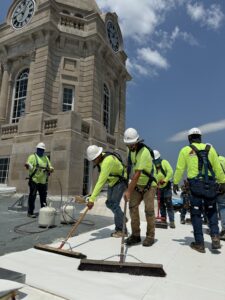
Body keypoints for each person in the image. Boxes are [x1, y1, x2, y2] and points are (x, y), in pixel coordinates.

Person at [173, 128, 225, 253]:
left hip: (195, 186)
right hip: (210, 185)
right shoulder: (210, 149)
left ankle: (199, 243)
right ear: (200, 137)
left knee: (196, 214)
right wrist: (223, 181)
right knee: (212, 211)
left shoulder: (185, 150)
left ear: (189, 139)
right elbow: (218, 167)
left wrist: (175, 182)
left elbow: (180, 169)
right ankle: (215, 237)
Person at [123, 128, 157, 247]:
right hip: (138, 184)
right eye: (128, 145)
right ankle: (136, 235)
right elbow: (130, 169)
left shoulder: (144, 152)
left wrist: (128, 191)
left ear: (137, 141)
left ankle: (150, 236)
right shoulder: (131, 151)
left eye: (132, 144)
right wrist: (128, 185)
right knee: (132, 207)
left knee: (149, 211)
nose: (130, 147)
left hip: (149, 185)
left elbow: (137, 174)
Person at [86, 145, 127, 238]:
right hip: (113, 182)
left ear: (98, 156)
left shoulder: (107, 161)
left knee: (115, 205)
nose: (93, 161)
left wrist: (92, 200)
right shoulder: (102, 159)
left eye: (93, 159)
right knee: (109, 203)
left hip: (120, 182)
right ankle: (122, 218)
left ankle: (122, 230)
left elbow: (101, 181)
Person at [25, 142, 54, 218]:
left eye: (42, 150)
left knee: (43, 197)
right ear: (37, 149)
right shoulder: (32, 157)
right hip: (34, 180)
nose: (41, 151)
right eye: (39, 149)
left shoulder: (46, 158)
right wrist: (27, 165)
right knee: (32, 196)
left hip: (43, 181)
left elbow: (50, 167)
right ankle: (30, 212)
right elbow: (28, 165)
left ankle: (43, 211)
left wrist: (50, 169)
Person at [153, 150, 175, 228]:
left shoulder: (164, 162)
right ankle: (163, 219)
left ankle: (172, 221)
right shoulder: (154, 166)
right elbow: (154, 175)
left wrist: (165, 180)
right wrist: (155, 183)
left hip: (166, 187)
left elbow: (170, 172)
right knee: (161, 204)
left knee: (168, 204)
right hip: (159, 188)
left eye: (156, 159)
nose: (155, 161)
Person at [217, 153, 225, 240]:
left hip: (216, 188)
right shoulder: (223, 159)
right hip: (224, 186)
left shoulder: (209, 160)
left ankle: (215, 230)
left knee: (219, 208)